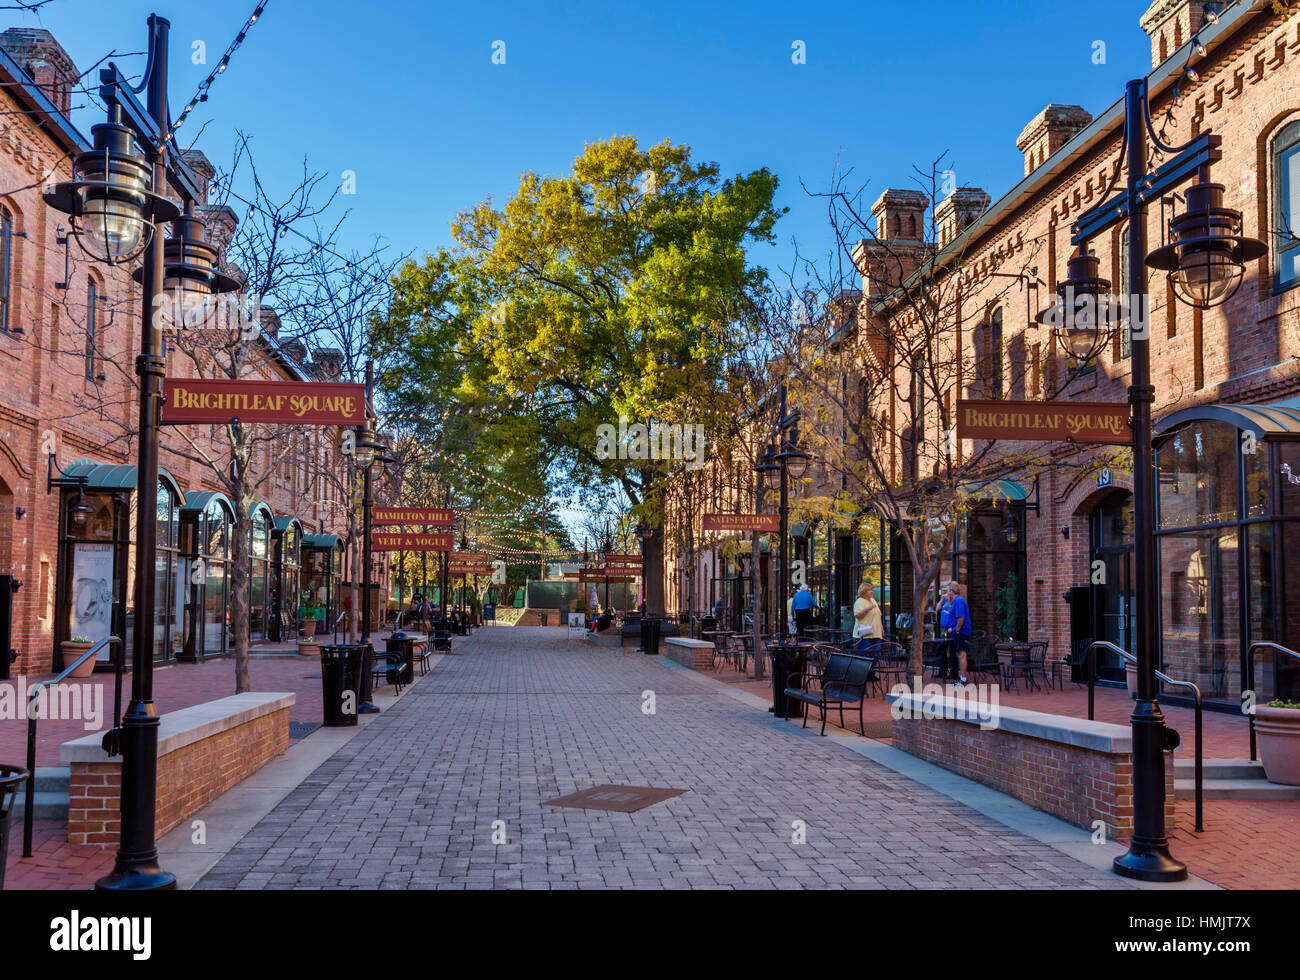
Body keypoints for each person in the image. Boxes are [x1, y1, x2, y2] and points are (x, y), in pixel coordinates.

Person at [942, 580, 973, 686]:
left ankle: (963, 680)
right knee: (959, 654)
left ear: (951, 591)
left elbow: (961, 618)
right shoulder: (957, 601)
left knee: (961, 655)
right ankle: (962, 678)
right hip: (957, 631)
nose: (947, 593)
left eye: (948, 590)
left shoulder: (958, 601)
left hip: (961, 632)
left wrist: (957, 629)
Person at [853, 581, 883, 653]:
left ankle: (874, 665)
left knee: (875, 655)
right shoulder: (859, 601)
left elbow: (878, 615)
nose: (871, 591)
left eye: (872, 590)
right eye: (869, 590)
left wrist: (882, 627)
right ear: (863, 591)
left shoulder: (873, 600)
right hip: (865, 633)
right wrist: (868, 608)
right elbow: (858, 616)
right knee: (864, 655)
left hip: (876, 632)